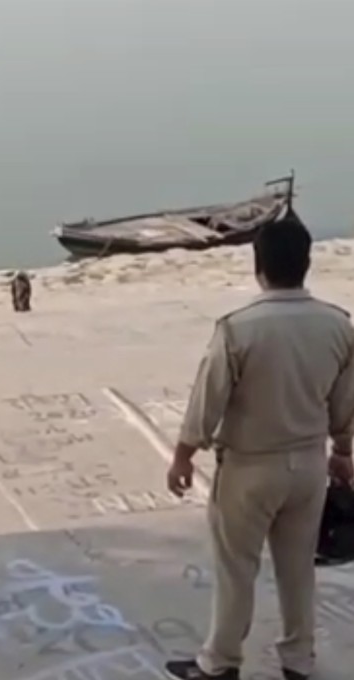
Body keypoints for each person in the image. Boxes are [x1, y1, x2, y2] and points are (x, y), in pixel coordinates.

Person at [164, 218, 354, 680]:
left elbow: (207, 403)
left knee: (236, 569)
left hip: (250, 467)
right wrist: (343, 451)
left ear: (258, 265)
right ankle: (298, 661)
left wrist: (183, 454)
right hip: (308, 464)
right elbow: (345, 401)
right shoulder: (337, 324)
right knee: (298, 569)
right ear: (307, 264)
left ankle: (221, 662)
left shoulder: (238, 329)